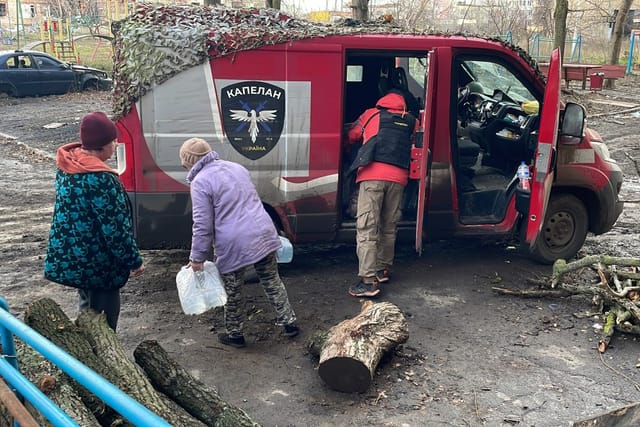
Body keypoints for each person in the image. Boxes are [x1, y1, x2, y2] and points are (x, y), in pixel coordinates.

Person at [179, 137, 299, 348]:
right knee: (272, 280)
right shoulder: (236, 167)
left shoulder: (200, 182)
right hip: (263, 231)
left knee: (233, 290)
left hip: (234, 242)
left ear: (188, 160)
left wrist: (196, 258)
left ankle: (235, 335)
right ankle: (289, 323)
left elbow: (202, 224)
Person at [44, 111, 145, 331]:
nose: (116, 144)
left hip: (78, 258)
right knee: (104, 322)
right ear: (101, 145)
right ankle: (101, 362)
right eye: (113, 141)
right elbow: (115, 229)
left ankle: (86, 356)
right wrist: (134, 260)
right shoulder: (100, 178)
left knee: (86, 310)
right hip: (99, 264)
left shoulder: (68, 166)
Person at [346, 90, 418, 297]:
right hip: (399, 178)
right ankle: (382, 270)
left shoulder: (371, 115)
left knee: (367, 227)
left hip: (372, 176)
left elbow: (353, 135)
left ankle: (367, 282)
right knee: (388, 225)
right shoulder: (412, 120)